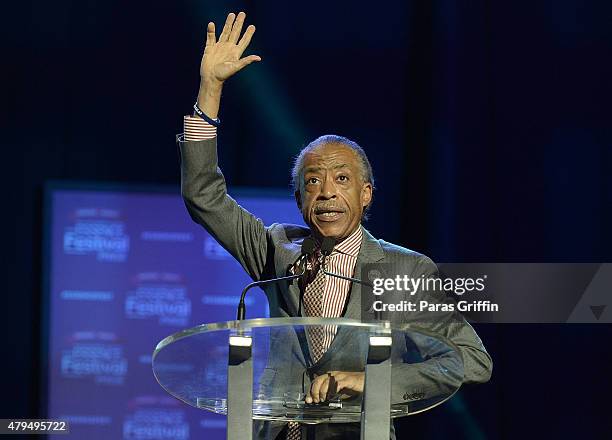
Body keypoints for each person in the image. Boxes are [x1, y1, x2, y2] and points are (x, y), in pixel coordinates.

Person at [179, 12, 492, 440]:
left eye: (341, 179)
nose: (326, 192)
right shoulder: (276, 250)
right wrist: (210, 89)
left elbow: (471, 361)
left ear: (367, 195)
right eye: (313, 182)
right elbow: (204, 197)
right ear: (299, 200)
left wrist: (373, 381)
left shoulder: (406, 271)